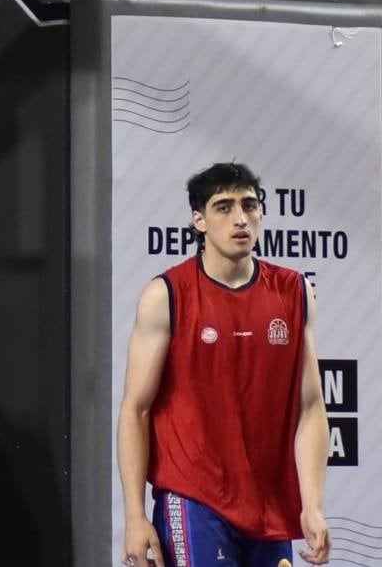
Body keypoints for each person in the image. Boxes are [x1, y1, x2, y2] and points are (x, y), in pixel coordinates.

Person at [117, 161, 331, 567]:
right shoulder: (167, 294)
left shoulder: (294, 292)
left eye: (249, 205)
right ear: (199, 220)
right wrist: (134, 515)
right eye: (224, 207)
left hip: (266, 506)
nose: (240, 218)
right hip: (194, 495)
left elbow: (310, 407)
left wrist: (313, 504)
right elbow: (136, 409)